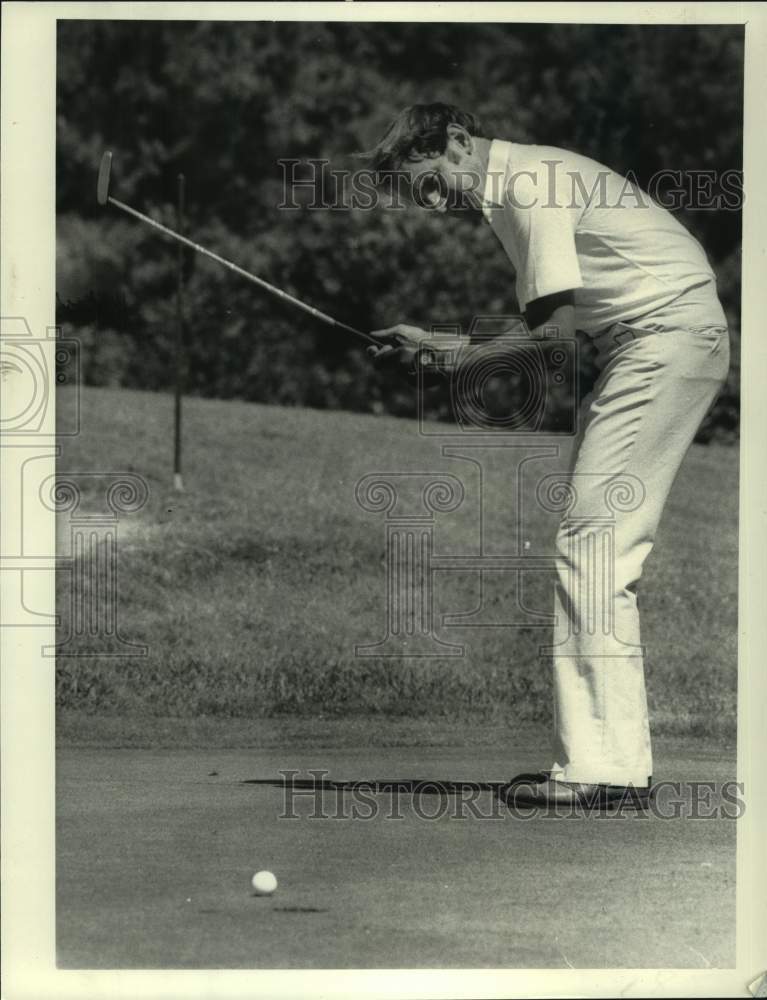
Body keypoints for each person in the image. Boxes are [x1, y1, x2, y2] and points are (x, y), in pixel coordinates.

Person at [360, 103, 730, 810]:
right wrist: (447, 344)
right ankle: (612, 766)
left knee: (592, 542)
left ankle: (602, 771)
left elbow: (554, 337)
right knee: (593, 541)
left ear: (459, 142)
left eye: (432, 182)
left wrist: (456, 350)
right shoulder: (515, 183)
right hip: (647, 344)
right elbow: (555, 328)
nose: (436, 204)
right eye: (421, 196)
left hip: (662, 340)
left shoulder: (527, 185)